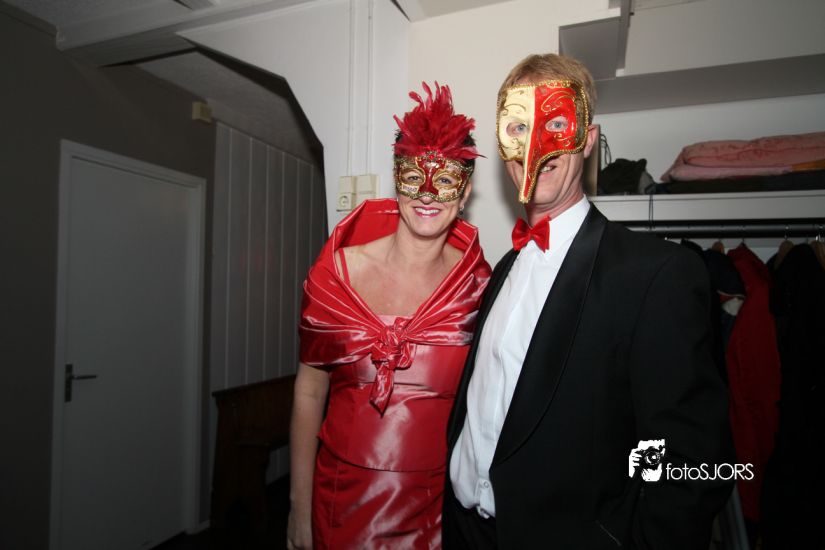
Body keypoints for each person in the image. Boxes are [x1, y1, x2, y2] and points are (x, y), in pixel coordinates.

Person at [444, 53, 734, 549]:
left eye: (556, 124)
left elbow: (692, 464)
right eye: (519, 126)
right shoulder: (503, 270)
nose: (535, 143)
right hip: (466, 533)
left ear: (589, 139)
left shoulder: (655, 274)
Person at [287, 82, 491, 550]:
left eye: (445, 180)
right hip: (341, 502)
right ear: (395, 178)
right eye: (414, 174)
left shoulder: (479, 286)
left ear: (464, 193)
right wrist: (299, 506)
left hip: (435, 510)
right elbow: (309, 390)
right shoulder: (337, 272)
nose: (427, 193)